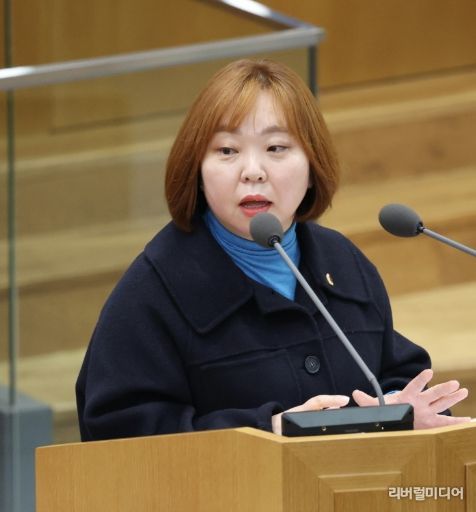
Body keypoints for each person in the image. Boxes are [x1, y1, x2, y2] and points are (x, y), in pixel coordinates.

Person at [76, 59, 470, 441]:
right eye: (227, 151)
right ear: (196, 171)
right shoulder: (153, 291)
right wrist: (267, 431)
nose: (253, 171)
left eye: (276, 148)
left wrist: (399, 411)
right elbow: (120, 435)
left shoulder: (343, 263)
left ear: (312, 166)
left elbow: (393, 373)